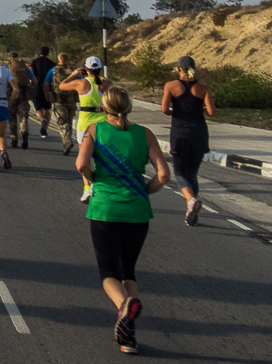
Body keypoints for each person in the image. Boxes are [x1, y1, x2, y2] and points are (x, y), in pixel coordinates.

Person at [77, 86, 171, 354]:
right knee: (127, 270)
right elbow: (164, 175)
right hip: (138, 211)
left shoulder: (95, 131)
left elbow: (81, 164)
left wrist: (94, 179)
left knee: (108, 272)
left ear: (104, 108)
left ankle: (124, 306)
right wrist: (145, 190)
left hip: (105, 209)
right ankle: (128, 338)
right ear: (129, 107)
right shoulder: (145, 134)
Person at [161, 55, 216, 226]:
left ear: (178, 69)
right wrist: (199, 108)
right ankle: (190, 211)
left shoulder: (171, 86)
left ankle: (191, 201)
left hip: (179, 134)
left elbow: (164, 109)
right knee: (192, 174)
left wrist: (175, 112)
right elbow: (212, 112)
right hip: (199, 134)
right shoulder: (203, 88)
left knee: (179, 174)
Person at [60, 56, 112, 202]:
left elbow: (61, 86)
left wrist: (74, 74)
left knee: (85, 158)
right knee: (102, 157)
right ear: (100, 69)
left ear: (86, 69)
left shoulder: (80, 83)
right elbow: (108, 84)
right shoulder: (107, 83)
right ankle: (101, 186)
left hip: (85, 124)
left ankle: (87, 188)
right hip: (103, 122)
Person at [46, 52, 79, 155]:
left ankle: (67, 141)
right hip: (71, 100)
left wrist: (48, 96)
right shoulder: (73, 71)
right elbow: (81, 83)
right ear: (67, 60)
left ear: (59, 60)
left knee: (62, 122)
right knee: (69, 121)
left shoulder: (52, 71)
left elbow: (45, 84)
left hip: (58, 100)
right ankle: (68, 139)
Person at [7, 51, 37, 150]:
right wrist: (29, 86)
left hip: (11, 93)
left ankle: (14, 139)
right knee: (23, 116)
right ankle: (24, 132)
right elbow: (35, 81)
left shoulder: (7, 68)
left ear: (9, 58)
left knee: (12, 116)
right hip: (24, 93)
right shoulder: (26, 68)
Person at [29, 46, 54, 138]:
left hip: (37, 87)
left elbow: (30, 73)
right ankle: (44, 129)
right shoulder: (51, 63)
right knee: (47, 109)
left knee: (38, 109)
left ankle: (41, 118)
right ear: (48, 53)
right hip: (48, 88)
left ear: (39, 52)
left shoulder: (34, 62)